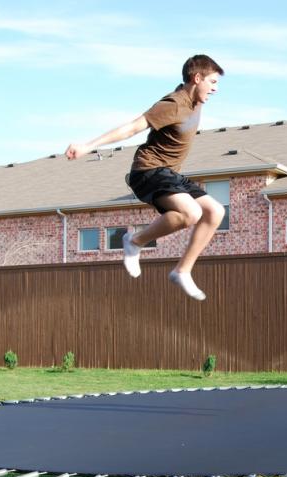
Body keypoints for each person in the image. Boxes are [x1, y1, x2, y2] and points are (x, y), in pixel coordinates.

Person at [65, 54, 225, 301]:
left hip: (169, 174)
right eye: (212, 82)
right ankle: (135, 240)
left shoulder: (196, 101)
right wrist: (88, 146)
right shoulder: (172, 105)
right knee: (191, 213)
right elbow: (131, 127)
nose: (215, 89)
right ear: (197, 78)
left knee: (215, 212)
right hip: (147, 171)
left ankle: (182, 271)